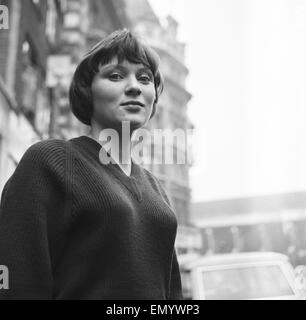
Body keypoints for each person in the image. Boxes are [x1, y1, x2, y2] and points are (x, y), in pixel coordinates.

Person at [0, 29, 183, 300]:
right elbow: (17, 281)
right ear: (88, 91)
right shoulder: (50, 163)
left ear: (153, 96)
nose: (134, 86)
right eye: (116, 75)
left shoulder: (157, 191)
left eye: (144, 78)